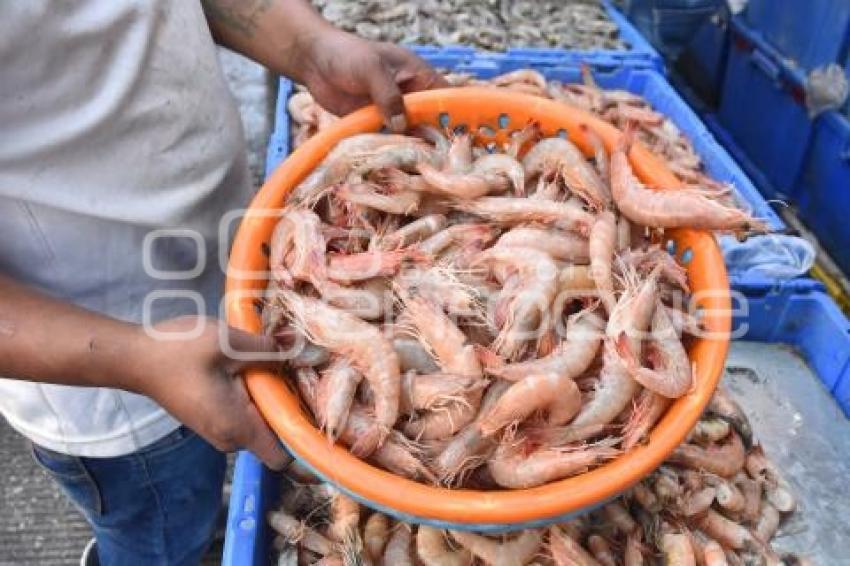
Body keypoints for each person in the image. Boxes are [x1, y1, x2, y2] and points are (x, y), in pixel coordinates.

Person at [0, 1, 445, 564]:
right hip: (109, 384)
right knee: (162, 525)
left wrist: (308, 45)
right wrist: (133, 358)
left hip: (231, 266)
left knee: (198, 485)